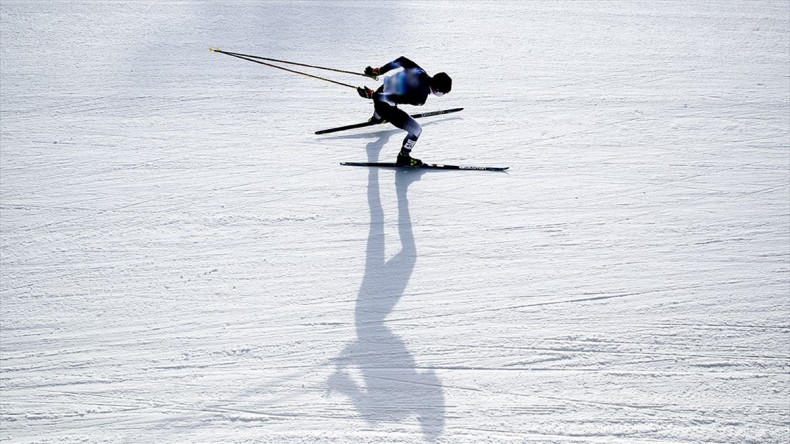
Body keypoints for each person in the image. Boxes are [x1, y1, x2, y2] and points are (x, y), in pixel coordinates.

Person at [357, 57, 452, 167]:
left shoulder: (420, 72)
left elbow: (401, 60)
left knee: (389, 97)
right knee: (416, 130)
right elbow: (394, 98)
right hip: (384, 104)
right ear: (437, 90)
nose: (442, 95)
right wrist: (373, 95)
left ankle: (377, 118)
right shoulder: (420, 98)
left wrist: (379, 71)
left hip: (381, 92)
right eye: (443, 93)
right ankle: (403, 157)